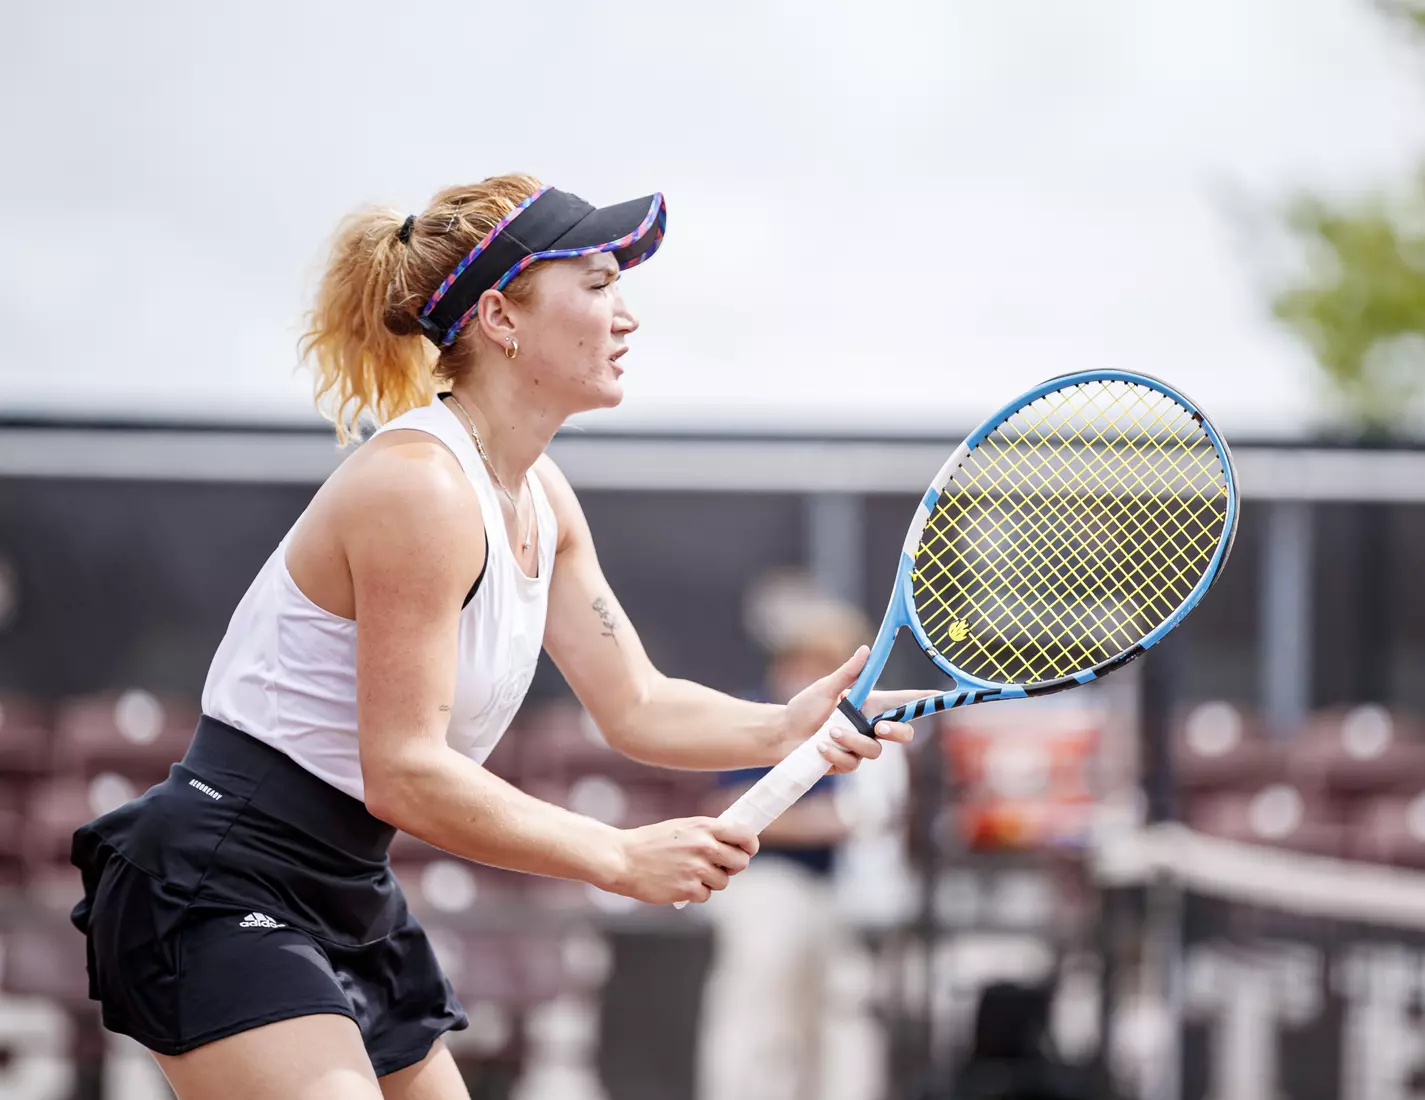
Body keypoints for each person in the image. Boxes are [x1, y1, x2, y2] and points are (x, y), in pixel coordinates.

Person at [66, 174, 920, 1100]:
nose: (625, 317)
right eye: (595, 286)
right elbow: (406, 771)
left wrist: (786, 725)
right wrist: (620, 856)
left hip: (347, 885)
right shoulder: (419, 488)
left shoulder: (543, 496)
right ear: (500, 318)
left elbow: (635, 703)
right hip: (222, 880)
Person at [697, 579, 871, 1100]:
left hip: (826, 891)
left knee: (823, 1027)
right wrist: (825, 822)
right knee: (754, 1021)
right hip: (760, 889)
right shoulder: (758, 719)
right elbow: (724, 813)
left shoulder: (838, 726)